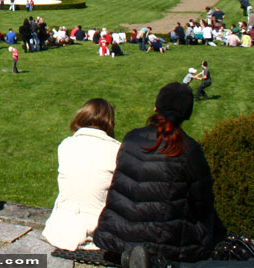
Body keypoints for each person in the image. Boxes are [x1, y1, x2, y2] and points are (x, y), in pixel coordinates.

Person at [94, 82, 225, 264]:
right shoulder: (189, 150)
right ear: (187, 115)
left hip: (118, 235)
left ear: (156, 108)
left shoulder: (132, 137)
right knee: (210, 224)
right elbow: (203, 203)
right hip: (161, 245)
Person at [42, 99, 120, 251]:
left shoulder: (66, 145)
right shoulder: (117, 150)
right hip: (98, 231)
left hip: (60, 227)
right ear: (110, 122)